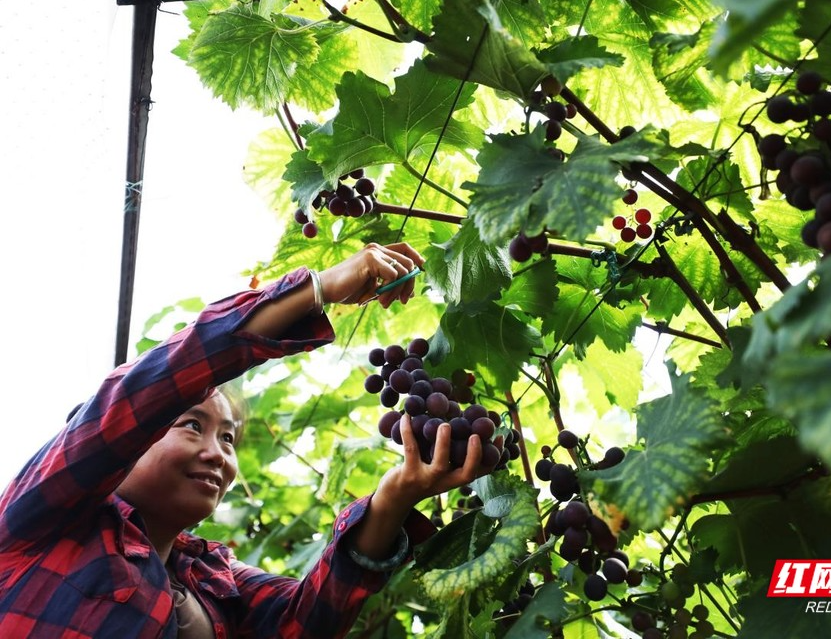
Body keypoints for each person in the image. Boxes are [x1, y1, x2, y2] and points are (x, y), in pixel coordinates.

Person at [0, 243, 494, 638]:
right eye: (191, 425)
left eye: (229, 437)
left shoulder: (215, 580)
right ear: (133, 440)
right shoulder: (46, 517)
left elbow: (307, 621)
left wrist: (395, 494)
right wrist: (314, 290)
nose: (218, 453)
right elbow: (136, 399)